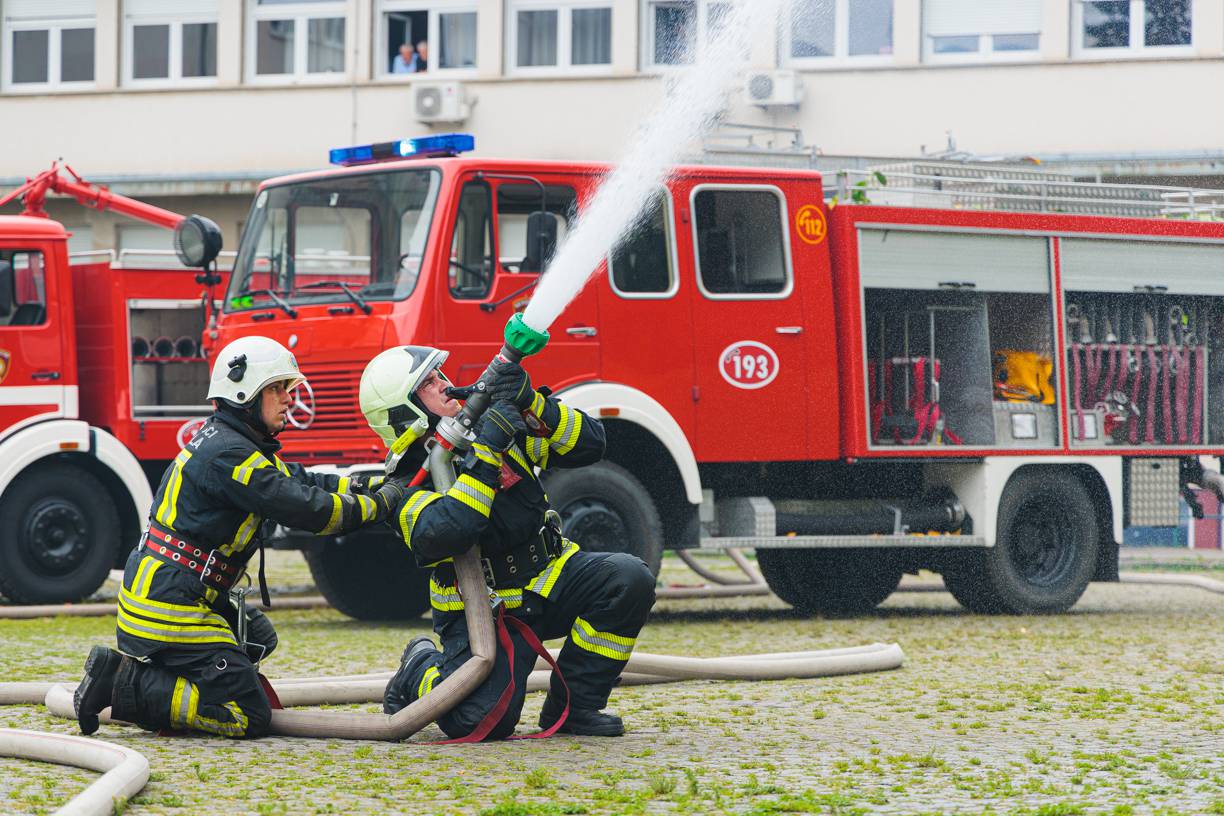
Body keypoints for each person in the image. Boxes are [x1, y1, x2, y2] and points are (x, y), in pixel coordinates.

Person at [73, 336, 404, 739]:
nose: (288, 399)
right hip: (170, 605)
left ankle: (176, 676)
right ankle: (122, 682)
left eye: (288, 389)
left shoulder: (234, 445)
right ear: (245, 394)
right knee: (247, 714)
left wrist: (377, 480)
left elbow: (305, 481)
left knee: (257, 638)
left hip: (171, 591)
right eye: (277, 389)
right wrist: (385, 504)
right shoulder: (231, 457)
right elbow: (309, 508)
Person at [361, 346, 655, 739]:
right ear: (403, 411)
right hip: (484, 611)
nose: (447, 385)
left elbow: (591, 445)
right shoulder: (403, 483)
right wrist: (487, 449)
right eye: (429, 384)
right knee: (481, 721)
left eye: (441, 374)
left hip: (548, 579)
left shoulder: (494, 427)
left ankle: (575, 708)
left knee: (628, 578)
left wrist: (533, 403)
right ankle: (419, 667)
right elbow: (452, 529)